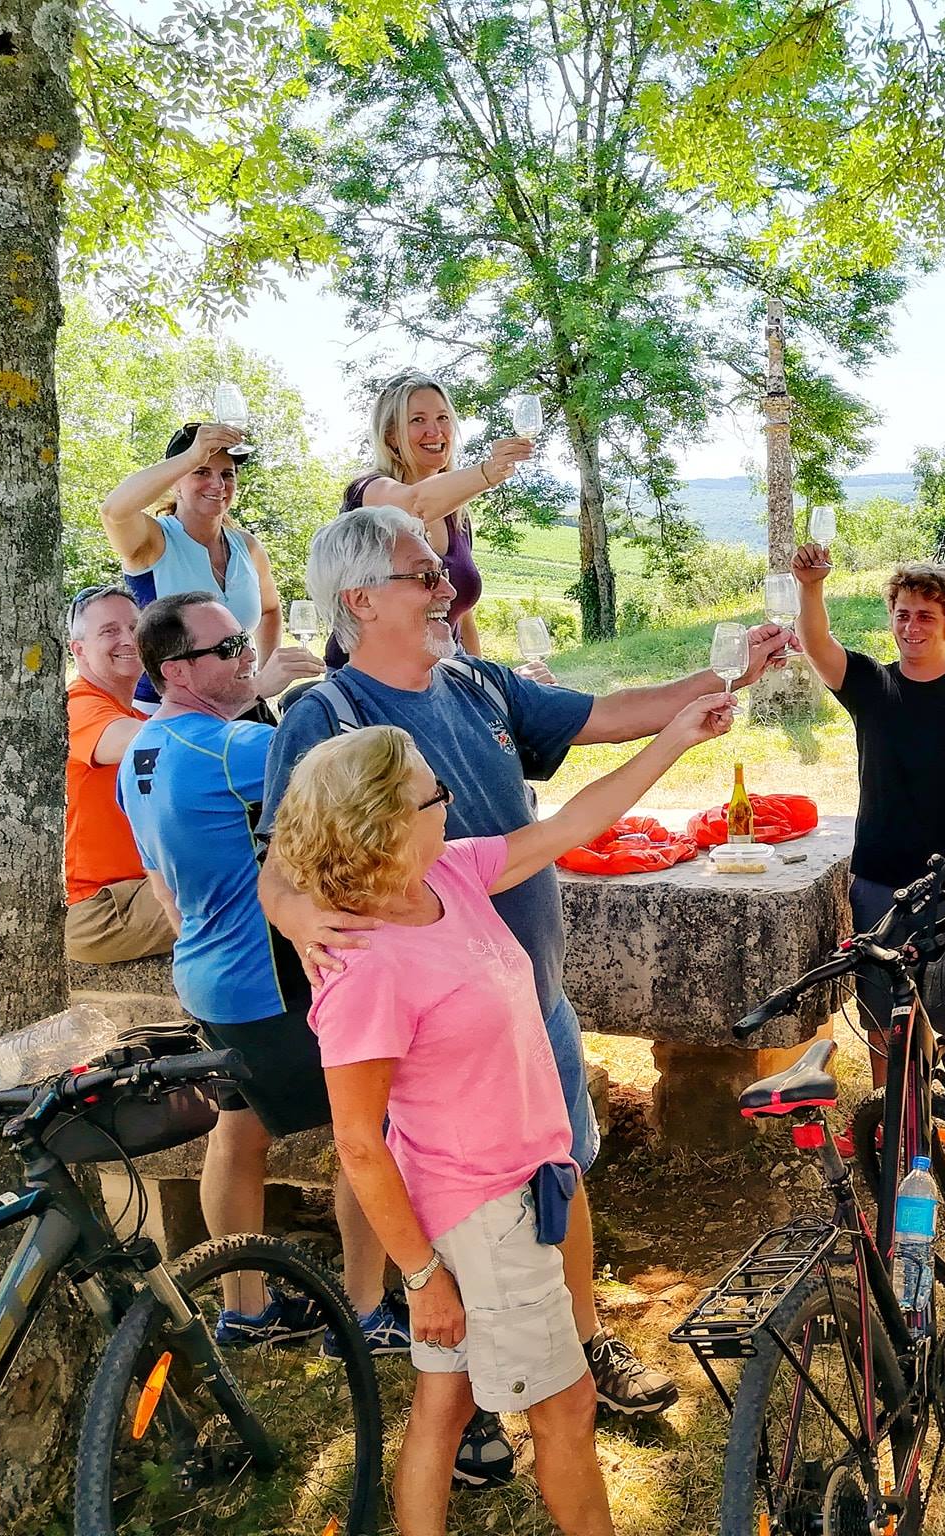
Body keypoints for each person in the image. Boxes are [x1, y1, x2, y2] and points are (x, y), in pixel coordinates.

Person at [256, 506, 789, 1479]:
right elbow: (280, 864)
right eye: (423, 575)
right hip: (432, 1043)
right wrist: (299, 919)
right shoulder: (321, 720)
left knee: (558, 1177)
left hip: (527, 998)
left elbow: (602, 720)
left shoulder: (474, 683)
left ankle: (577, 1349)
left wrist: (723, 680)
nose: (445, 588)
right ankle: (475, 1409)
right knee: (458, 1214)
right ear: (360, 600)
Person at [270, 696, 732, 1536]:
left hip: (519, 1187)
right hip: (479, 1216)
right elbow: (356, 1143)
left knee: (443, 1407)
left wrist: (673, 739)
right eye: (431, 792)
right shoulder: (364, 965)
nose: (449, 797)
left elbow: (574, 823)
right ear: (382, 825)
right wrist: (422, 1276)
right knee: (567, 1410)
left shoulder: (445, 876)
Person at [117, 592, 392, 1351]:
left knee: (239, 1133)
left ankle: (247, 1308)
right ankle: (364, 1315)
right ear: (175, 670)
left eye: (242, 639)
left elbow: (163, 887)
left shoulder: (141, 751)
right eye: (228, 647)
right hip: (267, 984)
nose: (247, 655)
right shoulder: (233, 750)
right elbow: (365, 776)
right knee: (368, 1131)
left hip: (206, 974)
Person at [790, 551, 945, 1105]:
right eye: (902, 614)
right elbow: (818, 645)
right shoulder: (869, 685)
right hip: (878, 880)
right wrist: (810, 588)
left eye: (926, 615)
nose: (911, 626)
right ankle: (893, 1119)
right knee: (883, 1015)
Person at [99, 420, 323, 707]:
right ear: (176, 482)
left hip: (241, 710)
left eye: (227, 475)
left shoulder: (248, 547)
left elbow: (269, 610)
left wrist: (262, 679)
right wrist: (193, 454)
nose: (217, 485)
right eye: (201, 471)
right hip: (164, 716)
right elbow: (113, 511)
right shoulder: (154, 541)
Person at [324, 371, 536, 671]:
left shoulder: (456, 515)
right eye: (418, 420)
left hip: (443, 673)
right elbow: (415, 505)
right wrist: (491, 471)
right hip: (370, 681)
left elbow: (461, 614)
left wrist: (484, 683)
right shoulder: (369, 491)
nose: (435, 431)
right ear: (391, 436)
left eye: (443, 418)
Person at [64, 583, 174, 964]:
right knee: (259, 892)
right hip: (98, 908)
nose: (128, 639)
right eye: (109, 631)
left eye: (135, 627)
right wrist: (247, 690)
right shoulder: (77, 706)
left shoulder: (137, 715)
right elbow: (142, 743)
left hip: (137, 890)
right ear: (78, 649)